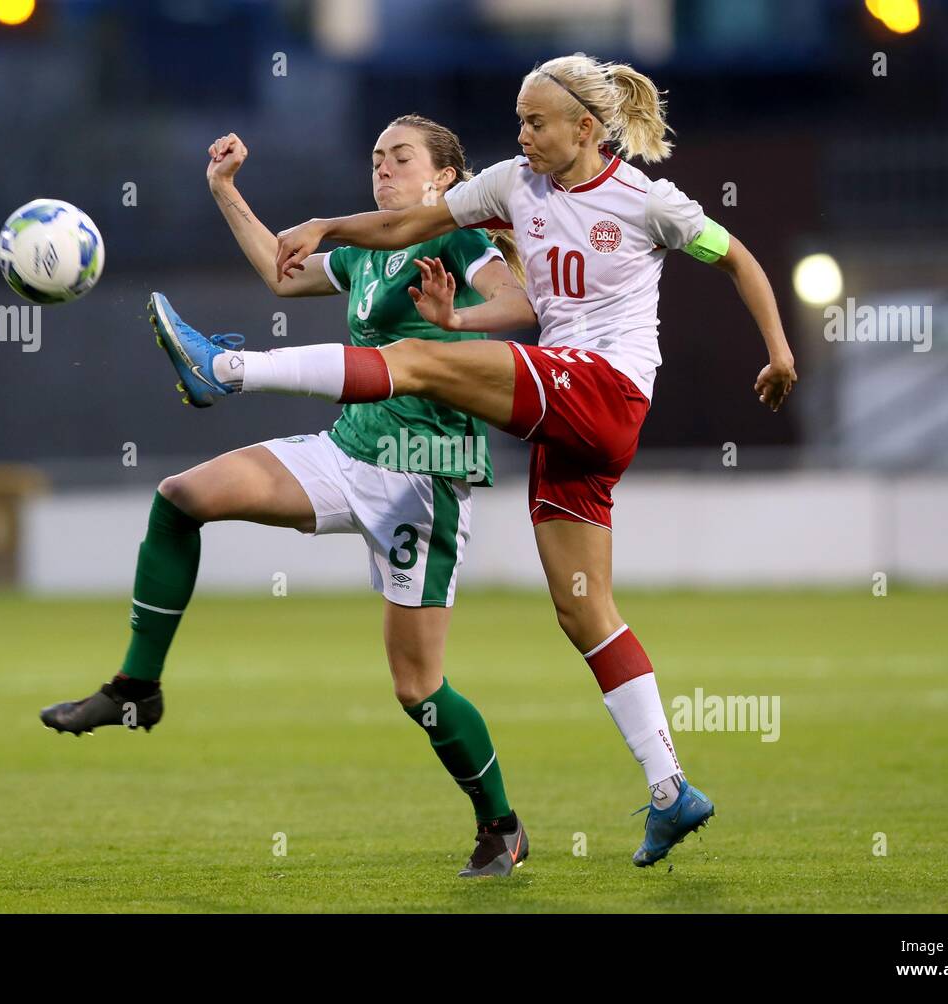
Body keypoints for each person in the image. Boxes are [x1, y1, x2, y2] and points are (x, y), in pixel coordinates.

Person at [149, 53, 798, 868]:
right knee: (584, 612)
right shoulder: (508, 185)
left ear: (585, 128)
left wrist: (777, 351)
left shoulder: (646, 200)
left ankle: (229, 370)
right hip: (569, 425)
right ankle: (670, 789)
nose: (521, 134)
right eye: (519, 119)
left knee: (413, 360)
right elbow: (403, 227)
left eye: (535, 121)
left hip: (604, 390)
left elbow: (735, 255)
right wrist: (330, 228)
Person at [41, 114, 535, 878]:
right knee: (181, 496)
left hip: (425, 472)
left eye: (401, 158)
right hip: (347, 453)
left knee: (418, 688)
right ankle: (136, 686)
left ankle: (501, 825)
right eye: (376, 157)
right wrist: (225, 190)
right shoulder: (371, 253)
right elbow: (282, 271)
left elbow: (521, 306)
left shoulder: (457, 236)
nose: (383, 169)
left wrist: (457, 318)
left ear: (444, 179)